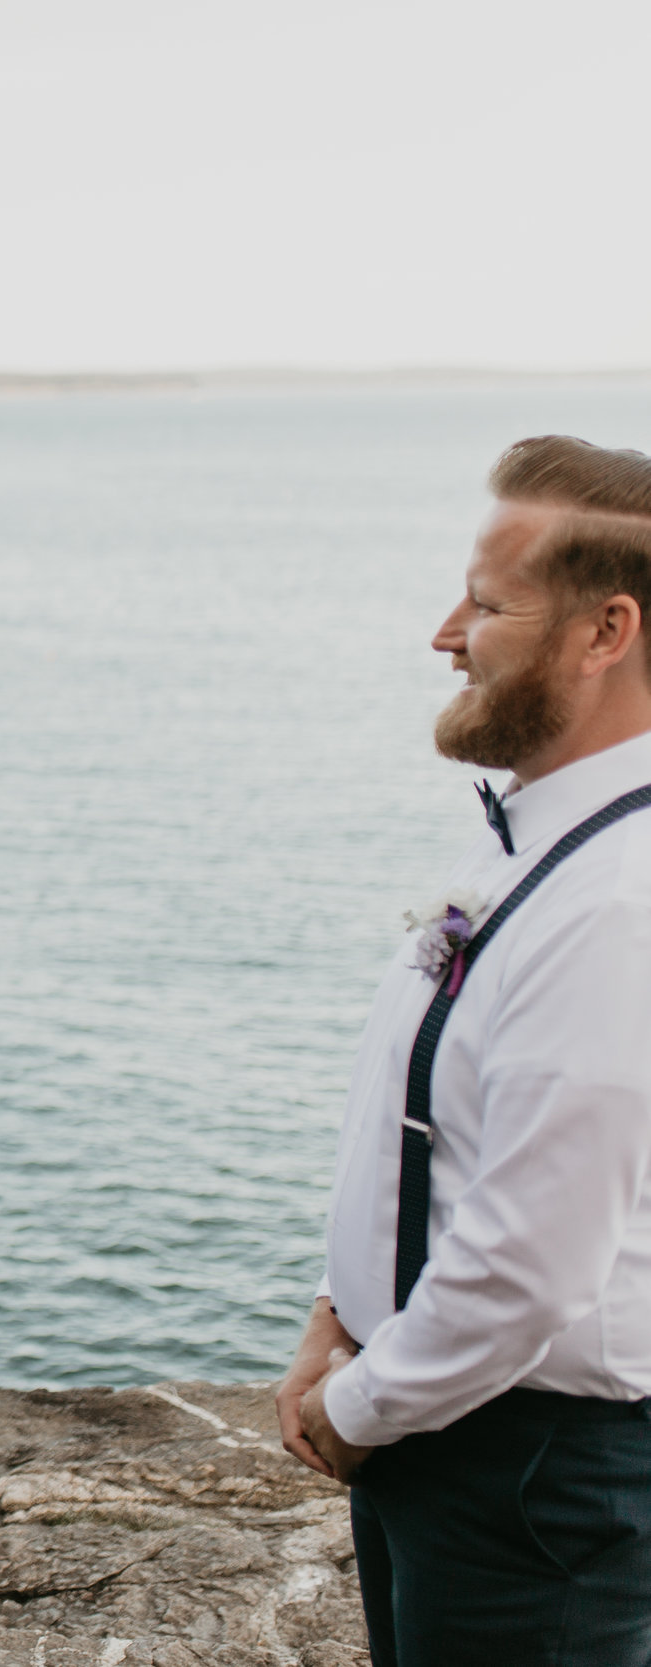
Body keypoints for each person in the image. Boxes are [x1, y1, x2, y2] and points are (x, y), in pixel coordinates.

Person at [278, 435, 651, 1666]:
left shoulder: (618, 902)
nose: (444, 633)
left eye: (487, 604)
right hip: (460, 1432)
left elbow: (532, 1259)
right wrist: (341, 1311)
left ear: (607, 631)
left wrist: (359, 1405)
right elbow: (439, 1135)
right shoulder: (540, 838)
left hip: (531, 1473)